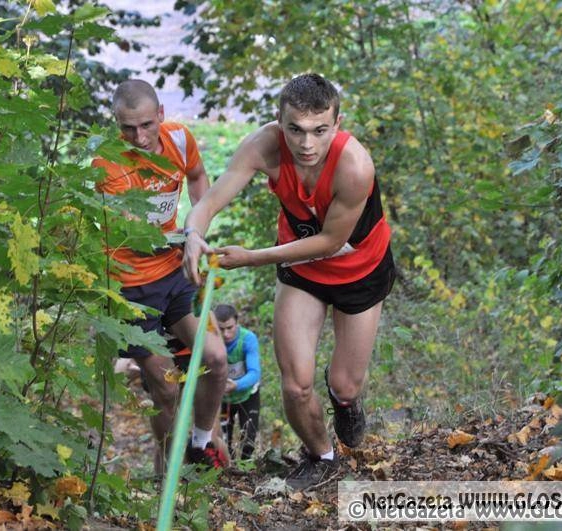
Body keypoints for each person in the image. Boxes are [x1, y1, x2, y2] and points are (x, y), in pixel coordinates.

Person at [182, 73, 395, 489]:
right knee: (296, 385)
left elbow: (331, 242)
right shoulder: (263, 145)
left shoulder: (355, 166)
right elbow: (210, 200)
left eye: (319, 131)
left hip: (359, 270)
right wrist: (193, 233)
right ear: (278, 121)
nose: (306, 144)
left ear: (337, 123)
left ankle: (345, 403)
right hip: (302, 270)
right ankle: (323, 457)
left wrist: (251, 258)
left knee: (344, 383)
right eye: (295, 129)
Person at [92, 79, 229, 473]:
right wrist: (186, 238)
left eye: (148, 125)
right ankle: (170, 476)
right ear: (116, 125)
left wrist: (199, 226)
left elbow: (199, 176)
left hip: (173, 276)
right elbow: (137, 235)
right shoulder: (108, 162)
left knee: (217, 359)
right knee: (167, 388)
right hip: (130, 288)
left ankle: (201, 445)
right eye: (128, 128)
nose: (139, 136)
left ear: (162, 116)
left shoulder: (180, 140)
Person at [215, 303, 261, 460]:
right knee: (224, 439)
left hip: (248, 394)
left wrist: (236, 385)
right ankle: (229, 468)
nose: (226, 334)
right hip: (222, 398)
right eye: (221, 329)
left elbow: (255, 373)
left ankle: (246, 468)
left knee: (249, 438)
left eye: (230, 328)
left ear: (237, 323)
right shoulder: (210, 340)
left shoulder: (248, 339)